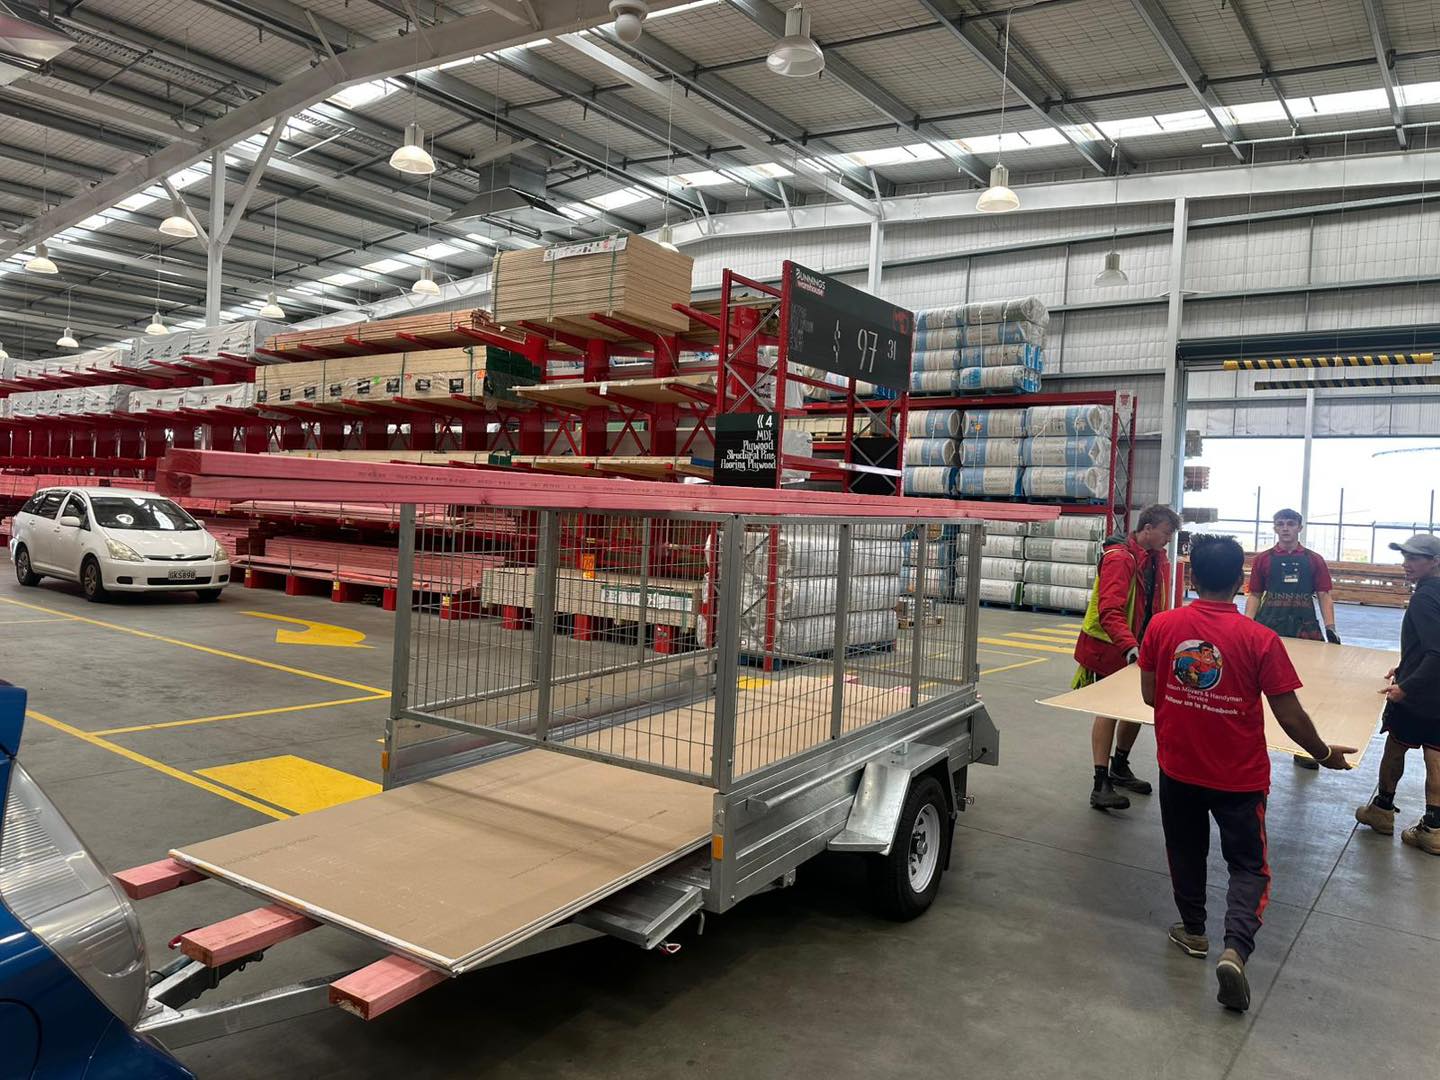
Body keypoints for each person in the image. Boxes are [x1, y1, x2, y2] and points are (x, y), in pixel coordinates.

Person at [1139, 535, 1354, 1012]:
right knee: (1248, 865)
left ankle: (1193, 931)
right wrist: (1323, 754)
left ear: (1192, 578)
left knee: (1185, 850)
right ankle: (1235, 949)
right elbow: (1289, 715)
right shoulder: (1259, 640)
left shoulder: (1162, 626)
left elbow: (1151, 695)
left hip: (1179, 766)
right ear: (1240, 582)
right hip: (1239, 777)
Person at [1074, 504, 1181, 810]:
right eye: (1166, 533)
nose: (1168, 539)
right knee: (1108, 709)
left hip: (1140, 646)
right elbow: (1109, 610)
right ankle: (1100, 783)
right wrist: (1129, 647)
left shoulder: (1156, 559)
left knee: (1135, 706)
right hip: (1110, 647)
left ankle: (1120, 766)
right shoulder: (1120, 558)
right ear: (1148, 528)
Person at [1354, 533, 1440, 854]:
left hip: (1420, 696)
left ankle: (1382, 810)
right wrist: (1405, 665)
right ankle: (1434, 828)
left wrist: (1406, 686)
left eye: (1414, 558)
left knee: (1395, 747)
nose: (1406, 564)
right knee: (1436, 754)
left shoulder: (1424, 597)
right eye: (1405, 557)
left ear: (1435, 562)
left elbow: (1436, 651)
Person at [1245, 508, 1342, 769]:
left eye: (1290, 523)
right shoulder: (1263, 560)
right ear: (1275, 528)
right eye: (1280, 524)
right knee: (1255, 684)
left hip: (1305, 627)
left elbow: (1324, 594)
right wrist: (1246, 626)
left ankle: (1305, 749)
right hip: (1269, 625)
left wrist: (1331, 627)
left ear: (1300, 527)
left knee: (1306, 687)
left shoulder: (1314, 560)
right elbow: (1254, 595)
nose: (1285, 528)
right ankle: (1252, 739)